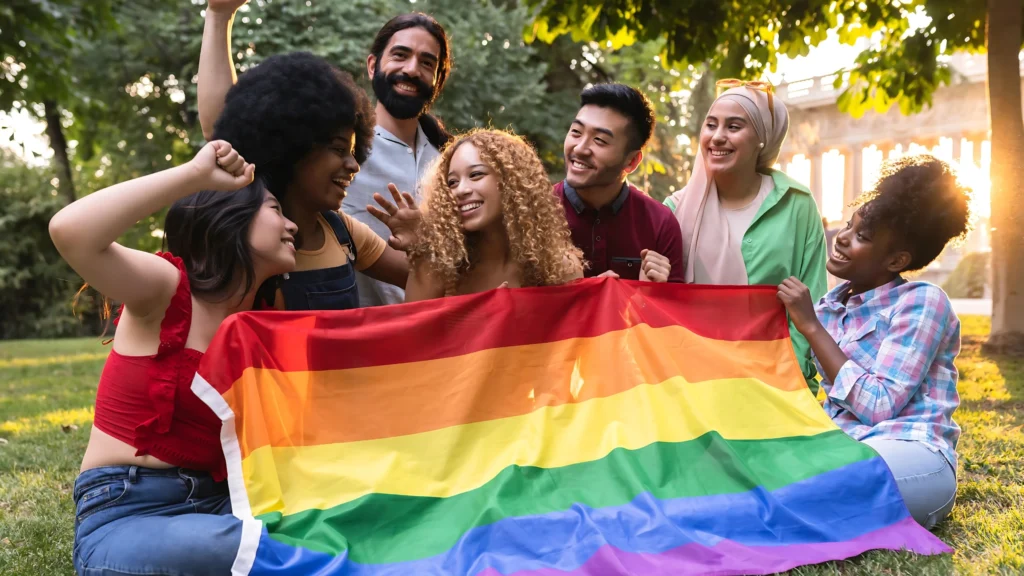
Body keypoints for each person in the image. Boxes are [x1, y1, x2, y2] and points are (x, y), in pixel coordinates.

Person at [52, 141, 295, 574]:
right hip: (127, 515)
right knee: (246, 547)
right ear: (231, 218)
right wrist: (194, 175)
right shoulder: (167, 290)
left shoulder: (260, 325)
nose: (291, 225)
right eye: (276, 209)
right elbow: (71, 231)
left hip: (223, 504)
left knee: (313, 526)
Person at [201, 1, 451, 307]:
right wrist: (219, 16)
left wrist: (424, 247)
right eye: (400, 55)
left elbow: (430, 277)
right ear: (372, 65)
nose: (412, 69)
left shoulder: (453, 163)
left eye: (427, 62)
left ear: (438, 79)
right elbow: (223, 129)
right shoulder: (268, 220)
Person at [777, 154, 970, 530]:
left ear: (897, 259)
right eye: (849, 225)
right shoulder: (829, 308)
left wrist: (811, 328)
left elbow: (879, 406)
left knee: (818, 484)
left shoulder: (922, 301)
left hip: (912, 456)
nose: (843, 238)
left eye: (862, 236)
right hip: (841, 449)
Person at [665, 79, 827, 392]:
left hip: (776, 381)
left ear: (763, 139)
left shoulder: (797, 203)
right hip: (693, 383)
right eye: (711, 124)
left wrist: (790, 380)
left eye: (734, 126)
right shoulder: (673, 209)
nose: (717, 137)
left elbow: (812, 299)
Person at [400, 129, 583, 300]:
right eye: (452, 182)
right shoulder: (436, 265)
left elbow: (577, 331)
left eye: (476, 175)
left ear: (511, 181)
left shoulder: (560, 266)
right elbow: (411, 332)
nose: (460, 190)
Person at [555, 83, 683, 283]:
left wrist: (652, 293)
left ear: (631, 161)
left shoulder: (660, 223)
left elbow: (674, 310)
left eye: (599, 140)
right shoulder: (533, 214)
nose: (579, 149)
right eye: (576, 132)